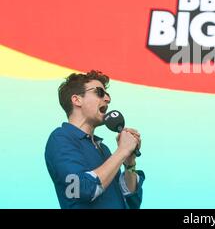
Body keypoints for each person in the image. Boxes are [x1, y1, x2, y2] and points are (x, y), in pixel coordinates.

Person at [45, 70, 145, 209]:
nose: (107, 99)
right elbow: (82, 189)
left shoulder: (103, 149)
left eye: (107, 95)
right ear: (77, 100)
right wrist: (122, 151)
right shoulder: (61, 139)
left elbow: (131, 201)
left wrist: (129, 162)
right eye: (99, 92)